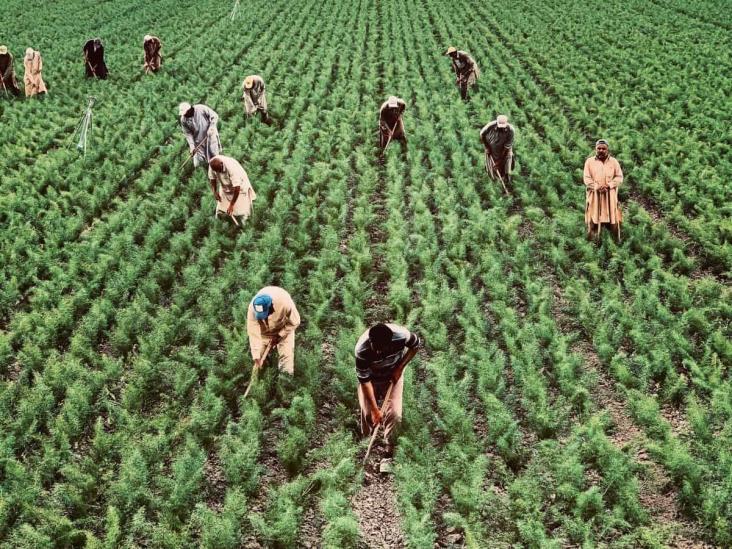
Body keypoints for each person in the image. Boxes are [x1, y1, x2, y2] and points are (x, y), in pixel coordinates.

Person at [355, 323, 420, 460]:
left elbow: (416, 345)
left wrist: (400, 367)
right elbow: (365, 382)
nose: (378, 352)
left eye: (381, 349)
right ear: (370, 341)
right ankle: (365, 440)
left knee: (395, 414)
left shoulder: (402, 335)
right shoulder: (362, 350)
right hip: (371, 379)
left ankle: (389, 450)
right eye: (375, 348)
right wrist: (375, 410)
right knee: (367, 413)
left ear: (389, 342)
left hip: (392, 376)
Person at [246, 287, 301, 376]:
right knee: (259, 358)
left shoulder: (285, 302)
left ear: (271, 305)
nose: (263, 317)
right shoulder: (252, 308)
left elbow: (295, 321)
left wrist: (280, 335)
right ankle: (259, 382)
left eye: (265, 313)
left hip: (284, 328)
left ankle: (285, 383)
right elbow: (253, 331)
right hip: (264, 333)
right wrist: (256, 355)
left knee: (286, 358)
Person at [583, 139, 624, 241]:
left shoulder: (614, 162)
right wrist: (596, 187)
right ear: (595, 149)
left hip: (610, 195)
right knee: (593, 217)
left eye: (603, 148)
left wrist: (609, 185)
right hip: (595, 195)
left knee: (613, 218)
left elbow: (619, 177)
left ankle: (614, 243)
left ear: (607, 149)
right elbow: (586, 178)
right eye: (599, 148)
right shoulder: (589, 162)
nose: (601, 150)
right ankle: (593, 243)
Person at [208, 155, 256, 227]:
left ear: (222, 164)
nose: (219, 172)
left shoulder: (231, 168)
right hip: (225, 187)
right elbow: (212, 179)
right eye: (216, 171)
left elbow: (237, 188)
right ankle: (220, 226)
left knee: (242, 212)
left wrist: (231, 205)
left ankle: (244, 227)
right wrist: (214, 192)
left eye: (220, 170)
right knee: (220, 210)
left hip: (240, 187)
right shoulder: (212, 165)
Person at [179, 102, 221, 168]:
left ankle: (215, 171)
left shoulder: (201, 108)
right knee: (197, 163)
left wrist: (211, 127)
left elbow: (214, 116)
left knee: (214, 155)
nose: (184, 115)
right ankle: (201, 172)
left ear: (189, 110)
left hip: (210, 136)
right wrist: (192, 146)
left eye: (185, 113)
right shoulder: (183, 119)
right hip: (198, 141)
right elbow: (187, 133)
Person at [480, 114, 515, 188]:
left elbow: (506, 148)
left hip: (505, 150)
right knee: (491, 167)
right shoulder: (490, 126)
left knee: (506, 166)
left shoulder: (511, 130)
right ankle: (495, 182)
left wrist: (499, 162)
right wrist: (487, 147)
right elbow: (482, 134)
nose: (501, 128)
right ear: (497, 123)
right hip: (492, 148)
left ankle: (507, 181)